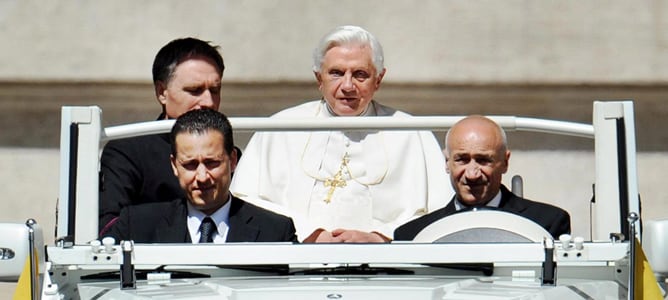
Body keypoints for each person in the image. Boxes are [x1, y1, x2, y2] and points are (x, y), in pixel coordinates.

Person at [230, 25, 452, 243]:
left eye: (360, 75)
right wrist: (310, 233)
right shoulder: (279, 129)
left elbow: (439, 210)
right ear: (319, 78)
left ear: (379, 79)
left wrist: (382, 236)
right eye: (336, 73)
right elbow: (247, 202)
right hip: (299, 261)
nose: (347, 86)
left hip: (384, 264)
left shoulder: (411, 133)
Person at [99, 37, 230, 236]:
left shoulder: (229, 150)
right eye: (195, 90)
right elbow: (110, 229)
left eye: (215, 90)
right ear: (162, 92)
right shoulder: (128, 151)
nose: (208, 102)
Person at [105, 108, 297, 243]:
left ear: (232, 161)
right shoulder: (137, 225)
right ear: (174, 165)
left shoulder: (275, 231)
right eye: (190, 165)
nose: (203, 177)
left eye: (212, 163)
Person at [394, 115, 571, 240]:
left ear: (505, 162)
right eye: (462, 160)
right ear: (447, 162)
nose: (472, 174)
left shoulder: (548, 223)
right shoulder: (412, 235)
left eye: (483, 160)